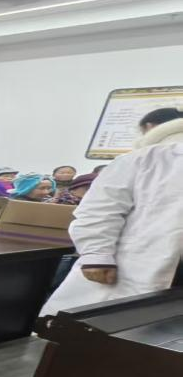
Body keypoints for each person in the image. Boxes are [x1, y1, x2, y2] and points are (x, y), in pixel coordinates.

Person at [40, 107, 183, 315]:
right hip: (135, 268)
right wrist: (96, 255)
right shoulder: (147, 159)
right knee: (95, 325)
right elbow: (101, 209)